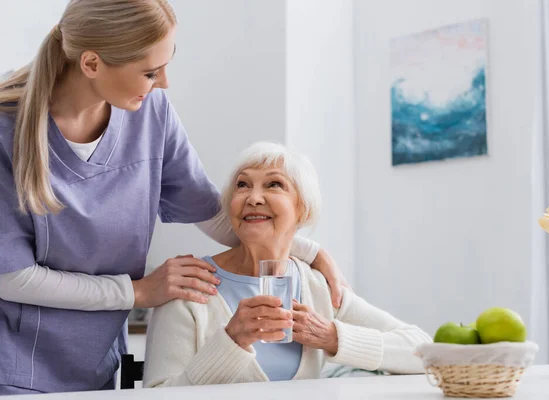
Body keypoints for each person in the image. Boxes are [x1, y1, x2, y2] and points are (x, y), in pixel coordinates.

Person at [0, 1, 347, 395]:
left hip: (95, 365)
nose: (164, 83)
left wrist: (304, 250)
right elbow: (11, 277)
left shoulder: (151, 111)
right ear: (92, 64)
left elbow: (215, 215)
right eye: (150, 72)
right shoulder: (5, 129)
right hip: (12, 366)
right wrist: (139, 291)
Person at [143, 143, 432, 387]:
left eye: (274, 184)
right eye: (242, 185)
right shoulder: (189, 285)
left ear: (302, 209)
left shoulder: (319, 286)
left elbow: (422, 350)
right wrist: (231, 342)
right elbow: (156, 394)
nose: (253, 198)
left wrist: (333, 337)